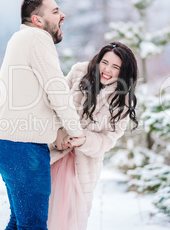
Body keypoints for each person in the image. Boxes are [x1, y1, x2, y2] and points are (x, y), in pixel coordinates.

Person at [0, 0, 85, 230]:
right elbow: (55, 89)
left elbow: (34, 99)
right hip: (25, 152)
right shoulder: (37, 38)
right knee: (31, 226)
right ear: (37, 20)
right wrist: (75, 131)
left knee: (19, 223)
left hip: (7, 147)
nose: (62, 15)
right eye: (55, 11)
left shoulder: (18, 39)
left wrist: (56, 131)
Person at [48, 42, 139, 230]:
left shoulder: (122, 99)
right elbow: (53, 104)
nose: (107, 70)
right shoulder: (79, 72)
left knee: (71, 219)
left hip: (83, 165)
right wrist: (57, 134)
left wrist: (85, 140)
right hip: (52, 155)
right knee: (43, 213)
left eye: (115, 67)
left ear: (123, 72)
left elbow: (108, 140)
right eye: (104, 62)